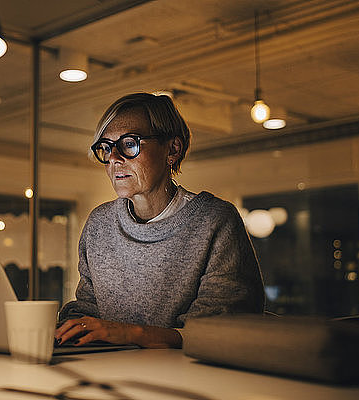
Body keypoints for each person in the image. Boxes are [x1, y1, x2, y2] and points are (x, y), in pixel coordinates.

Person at [54, 93, 264, 349]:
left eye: (129, 144)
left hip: (188, 377)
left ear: (172, 150)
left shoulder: (215, 220)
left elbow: (220, 329)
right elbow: (88, 309)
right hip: (105, 372)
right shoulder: (99, 224)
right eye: (107, 148)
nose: (113, 159)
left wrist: (131, 334)